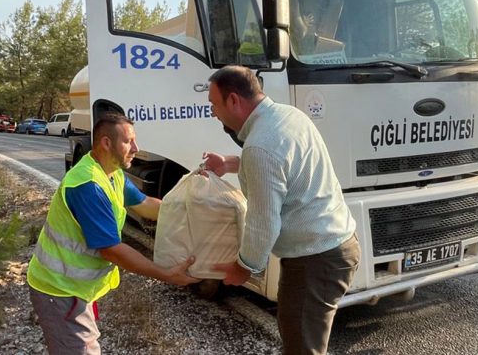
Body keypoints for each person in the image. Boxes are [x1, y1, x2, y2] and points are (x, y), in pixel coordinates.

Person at [202, 65, 359, 355]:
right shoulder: (288, 116)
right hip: (335, 245)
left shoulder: (260, 145)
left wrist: (244, 267)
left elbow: (264, 224)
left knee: (302, 349)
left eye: (214, 104)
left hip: (315, 261)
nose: (213, 112)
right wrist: (229, 163)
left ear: (234, 100)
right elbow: (283, 166)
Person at [27, 113, 199, 354]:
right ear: (107, 143)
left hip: (74, 289)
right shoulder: (88, 186)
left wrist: (192, 210)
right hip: (60, 290)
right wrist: (167, 274)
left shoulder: (112, 173)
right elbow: (112, 250)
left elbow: (146, 205)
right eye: (129, 141)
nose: (136, 148)